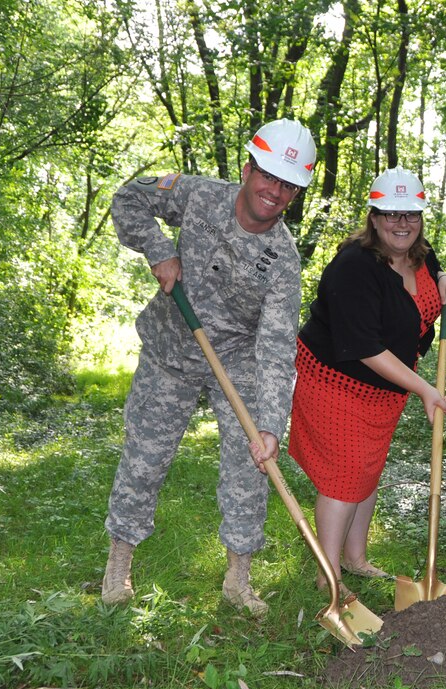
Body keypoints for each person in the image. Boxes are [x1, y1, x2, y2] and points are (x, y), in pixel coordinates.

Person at [101, 119, 317, 618]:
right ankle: (118, 565)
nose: (275, 191)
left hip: (236, 359)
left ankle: (238, 580)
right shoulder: (199, 196)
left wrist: (269, 426)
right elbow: (128, 197)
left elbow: (278, 347)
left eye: (288, 185)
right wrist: (159, 252)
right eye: (268, 176)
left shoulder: (282, 260)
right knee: (145, 455)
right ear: (247, 170)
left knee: (250, 463)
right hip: (171, 349)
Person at [288, 167, 446, 594]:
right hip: (336, 380)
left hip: (386, 387)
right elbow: (363, 346)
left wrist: (443, 278)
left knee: (368, 470)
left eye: (411, 214)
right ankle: (329, 576)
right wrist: (423, 388)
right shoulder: (355, 267)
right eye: (391, 213)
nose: (402, 223)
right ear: (375, 216)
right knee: (345, 475)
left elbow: (431, 267)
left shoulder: (418, 253)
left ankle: (356, 557)